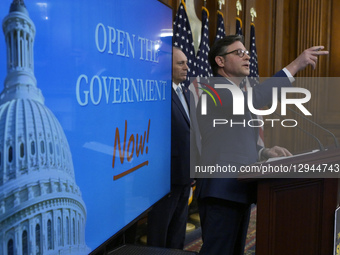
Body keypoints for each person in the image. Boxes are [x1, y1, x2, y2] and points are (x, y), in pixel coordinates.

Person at [195, 35, 328, 255]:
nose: (247, 56)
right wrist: (295, 65)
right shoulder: (215, 90)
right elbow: (256, 98)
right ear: (220, 61)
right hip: (220, 189)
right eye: (239, 53)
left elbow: (229, 141)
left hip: (238, 187)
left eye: (247, 52)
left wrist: (264, 151)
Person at [147, 47, 200, 249]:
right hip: (166, 178)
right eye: (181, 63)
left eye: (186, 62)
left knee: (178, 231)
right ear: (166, 67)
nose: (187, 67)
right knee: (160, 233)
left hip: (185, 175)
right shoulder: (158, 93)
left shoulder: (183, 91)